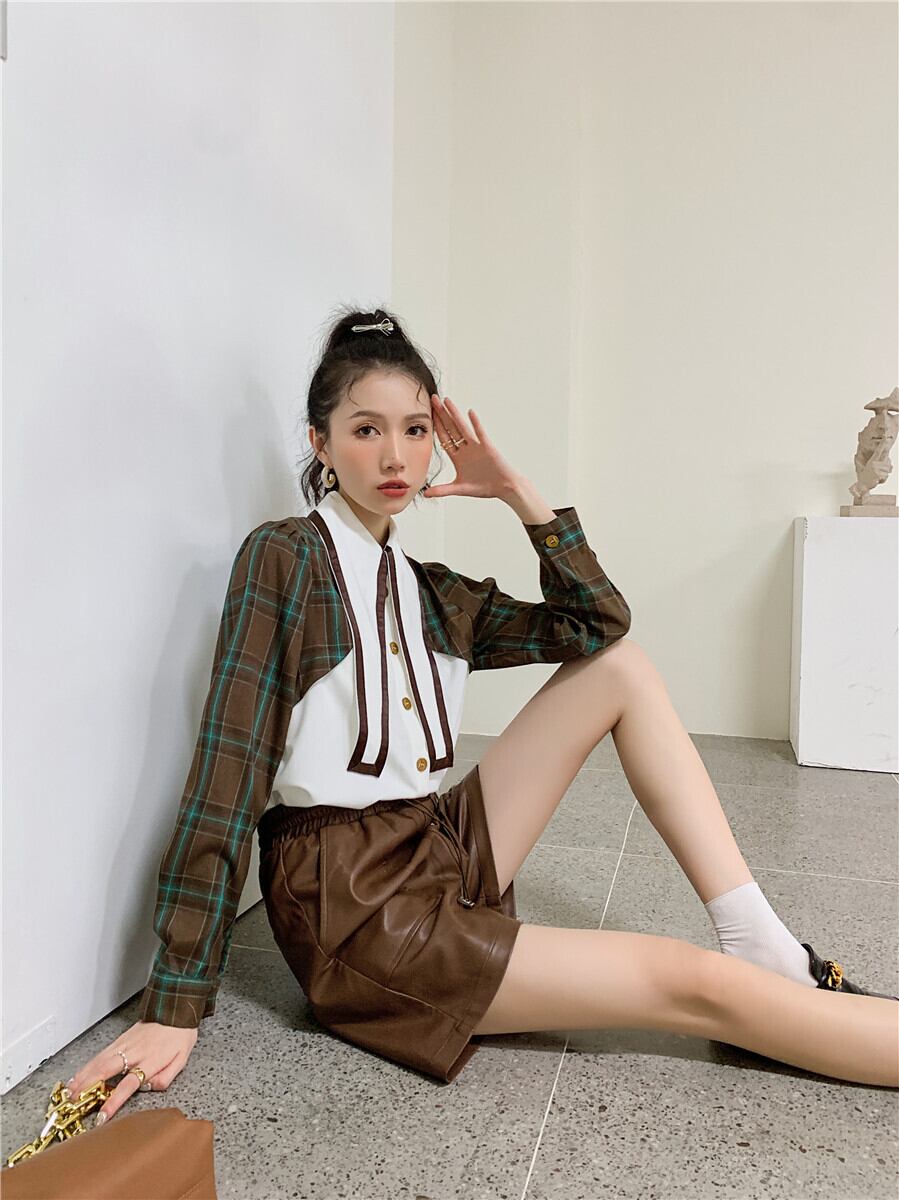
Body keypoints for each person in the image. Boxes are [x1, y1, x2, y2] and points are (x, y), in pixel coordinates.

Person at [64, 307, 899, 1126]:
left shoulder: (431, 592)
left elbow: (597, 625)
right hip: (355, 909)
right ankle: (773, 983)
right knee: (692, 984)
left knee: (619, 670)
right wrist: (175, 1000)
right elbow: (226, 774)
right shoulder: (286, 559)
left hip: (433, 845)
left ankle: (758, 939)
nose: (395, 455)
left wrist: (517, 495)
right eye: (364, 430)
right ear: (320, 443)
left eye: (414, 430)